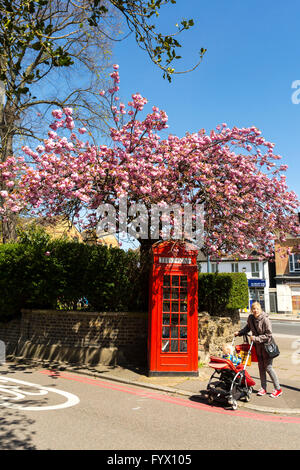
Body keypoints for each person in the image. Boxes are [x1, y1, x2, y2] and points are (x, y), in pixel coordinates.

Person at [234, 301, 282, 398]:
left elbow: (269, 335)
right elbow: (247, 328)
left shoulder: (265, 319)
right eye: (253, 309)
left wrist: (255, 338)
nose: (255, 311)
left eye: (257, 309)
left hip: (267, 347)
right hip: (258, 347)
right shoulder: (251, 318)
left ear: (260, 309)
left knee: (268, 368)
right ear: (251, 310)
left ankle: (278, 389)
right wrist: (239, 333)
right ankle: (263, 388)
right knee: (261, 368)